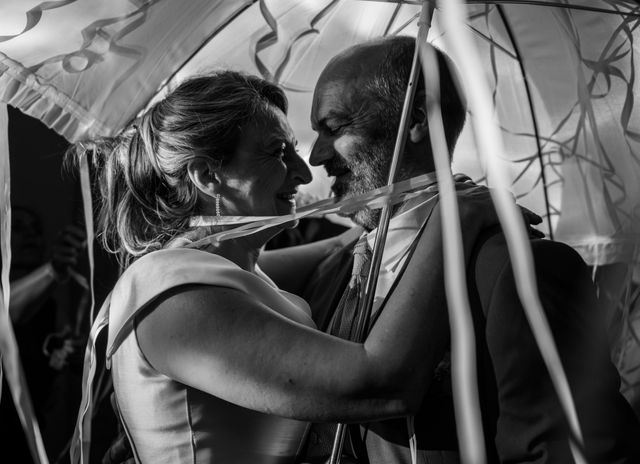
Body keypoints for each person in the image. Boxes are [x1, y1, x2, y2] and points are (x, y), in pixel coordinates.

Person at [85, 70, 505, 464]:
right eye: (277, 153)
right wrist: (455, 220)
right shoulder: (174, 293)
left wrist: (399, 205)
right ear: (206, 174)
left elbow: (341, 248)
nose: (304, 174)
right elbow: (380, 386)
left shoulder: (232, 271)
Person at [271, 36, 639, 463]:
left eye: (334, 128)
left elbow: (576, 451)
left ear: (418, 118)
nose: (316, 157)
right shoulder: (335, 268)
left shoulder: (516, 269)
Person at [0, 206, 86, 463]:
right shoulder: (43, 283)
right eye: (18, 227)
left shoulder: (50, 304)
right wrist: (53, 269)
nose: (31, 236)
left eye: (36, 230)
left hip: (25, 441)